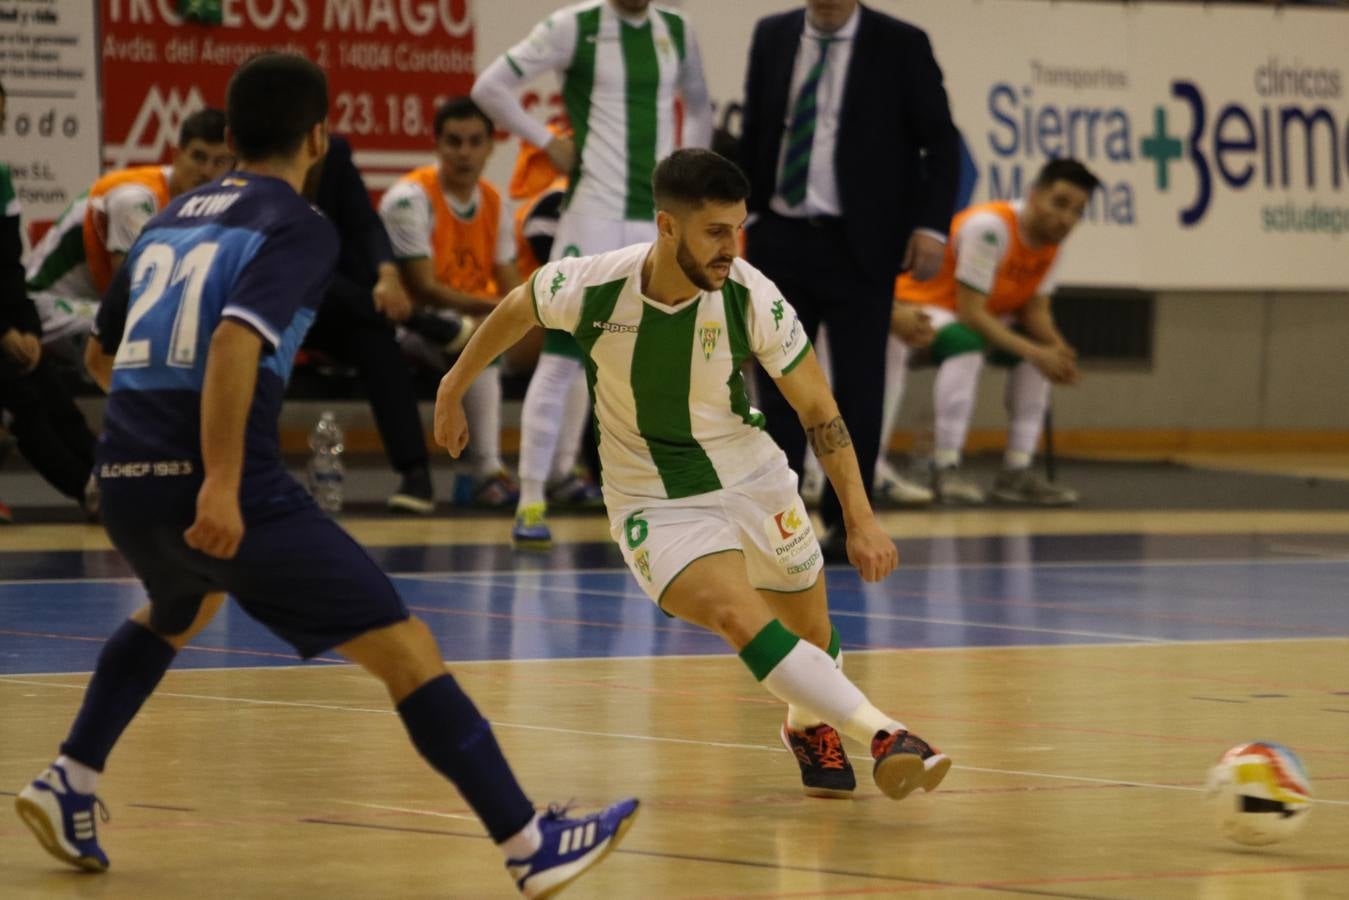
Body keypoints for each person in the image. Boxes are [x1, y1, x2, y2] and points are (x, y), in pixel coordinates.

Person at [14, 54, 638, 898]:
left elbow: (100, 351)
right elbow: (237, 339)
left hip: (122, 474)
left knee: (181, 603)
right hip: (220, 479)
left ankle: (69, 779)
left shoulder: (168, 220)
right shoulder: (298, 223)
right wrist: (220, 483)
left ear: (228, 139)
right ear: (320, 136)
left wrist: (150, 444)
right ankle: (531, 843)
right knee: (407, 648)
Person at [435, 148, 951, 803]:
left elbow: (818, 409)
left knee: (812, 638)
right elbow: (517, 305)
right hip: (652, 499)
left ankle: (806, 726)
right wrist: (453, 388)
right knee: (740, 618)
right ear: (666, 226)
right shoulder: (593, 284)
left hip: (752, 479)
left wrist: (860, 516)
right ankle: (886, 734)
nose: (730, 247)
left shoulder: (751, 296)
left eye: (737, 229)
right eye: (714, 231)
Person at [472, 0, 713, 549]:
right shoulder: (573, 26)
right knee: (561, 358)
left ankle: (648, 499)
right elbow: (490, 87)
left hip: (654, 220)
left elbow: (698, 104)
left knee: (652, 360)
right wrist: (545, 142)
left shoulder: (675, 30)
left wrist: (687, 169)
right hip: (591, 216)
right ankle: (531, 497)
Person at [738, 0, 960, 558]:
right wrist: (748, 215)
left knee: (859, 390)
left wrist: (931, 226)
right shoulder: (773, 35)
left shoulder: (902, 43)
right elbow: (757, 130)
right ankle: (780, 521)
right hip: (780, 237)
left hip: (862, 243)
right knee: (777, 385)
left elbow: (942, 142)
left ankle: (848, 524)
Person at [896, 158, 1100, 506]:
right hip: (922, 307)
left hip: (976, 316)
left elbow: (1036, 310)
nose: (1066, 218)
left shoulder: (1052, 243)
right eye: (1060, 203)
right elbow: (971, 313)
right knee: (968, 344)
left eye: (1077, 211)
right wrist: (1039, 353)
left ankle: (1016, 472)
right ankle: (944, 465)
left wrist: (1058, 350)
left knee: (1040, 353)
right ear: (1034, 196)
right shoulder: (990, 228)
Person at [379, 98, 519, 508]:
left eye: (475, 142)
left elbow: (513, 285)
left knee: (564, 345)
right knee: (480, 339)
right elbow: (425, 287)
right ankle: (487, 472)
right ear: (437, 145)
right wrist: (502, 309)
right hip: (413, 327)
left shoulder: (494, 201)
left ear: (491, 147)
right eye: (454, 142)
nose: (464, 152)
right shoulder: (409, 198)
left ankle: (559, 472)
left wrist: (525, 313)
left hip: (471, 320)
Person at [24, 109, 234, 368]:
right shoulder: (136, 200)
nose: (207, 172)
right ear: (177, 155)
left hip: (96, 305)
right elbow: (135, 295)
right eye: (199, 157)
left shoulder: (215, 204)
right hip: (42, 307)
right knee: (157, 331)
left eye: (220, 162)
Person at [301, 133, 434, 514]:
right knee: (315, 276)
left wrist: (387, 273)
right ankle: (421, 322)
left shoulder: (334, 152)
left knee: (375, 337)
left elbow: (364, 224)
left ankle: (416, 474)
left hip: (332, 306)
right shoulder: (257, 158)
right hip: (269, 304)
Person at [0, 80, 97, 515]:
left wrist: (28, 331)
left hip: (7, 324)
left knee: (45, 380)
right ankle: (89, 491)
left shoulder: (0, 179)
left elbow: (9, 265)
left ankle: (104, 477)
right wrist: (4, 333)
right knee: (21, 394)